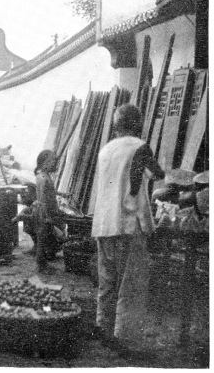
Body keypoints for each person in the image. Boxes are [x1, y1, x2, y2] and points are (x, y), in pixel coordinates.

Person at [92, 104, 165, 350]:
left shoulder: (105, 150)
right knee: (131, 284)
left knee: (107, 281)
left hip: (104, 223)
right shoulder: (140, 147)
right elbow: (158, 173)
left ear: (116, 126)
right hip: (128, 223)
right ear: (138, 124)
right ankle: (126, 339)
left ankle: (103, 327)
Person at [33, 149, 67, 274]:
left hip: (46, 212)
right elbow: (42, 198)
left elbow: (50, 191)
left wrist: (61, 194)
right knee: (42, 240)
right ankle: (41, 266)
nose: (54, 163)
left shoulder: (45, 176)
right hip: (43, 212)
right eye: (52, 161)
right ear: (44, 162)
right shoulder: (43, 177)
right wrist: (47, 216)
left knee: (45, 238)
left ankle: (43, 264)